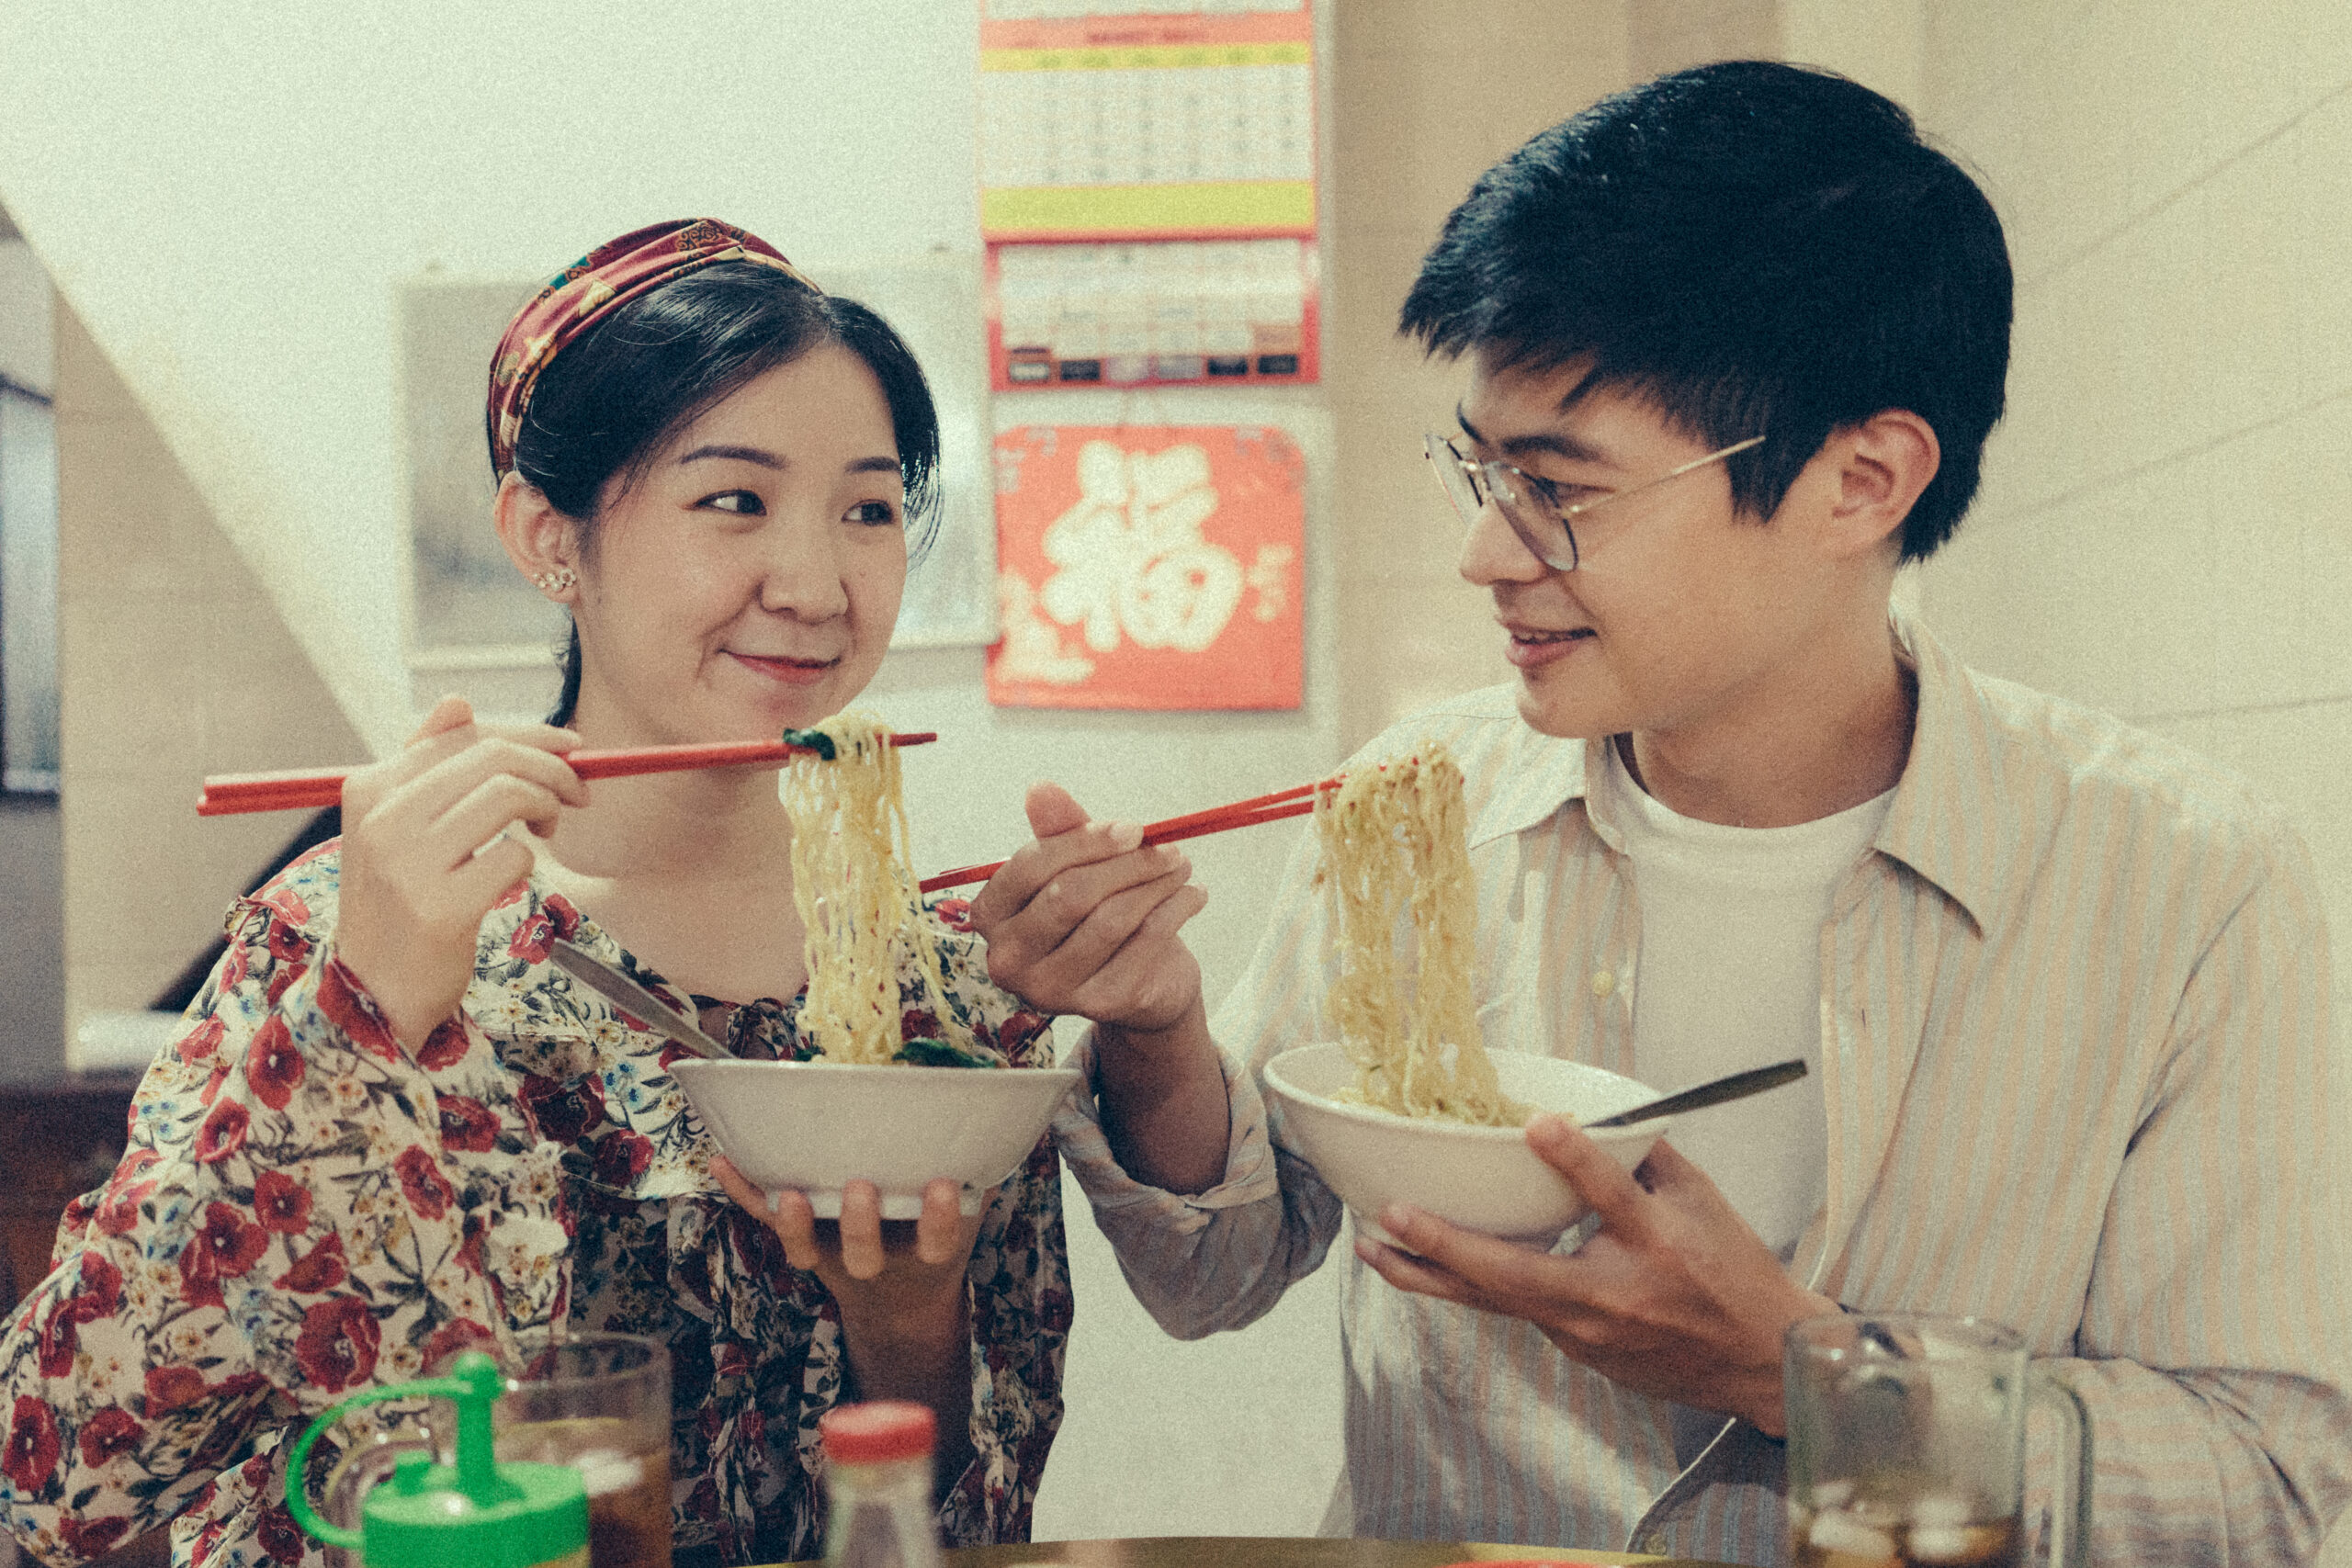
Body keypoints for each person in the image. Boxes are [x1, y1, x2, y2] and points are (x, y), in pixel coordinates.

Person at [978, 62, 2352, 1565]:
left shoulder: (2181, 885)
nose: (1485, 555)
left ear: (1862, 481)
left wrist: (1804, 1378)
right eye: (1479, 470)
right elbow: (1220, 1268)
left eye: (1560, 489)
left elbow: (2267, 1480)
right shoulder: (1421, 809)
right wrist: (1156, 1029)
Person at [0, 220, 1082, 1568]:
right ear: (546, 535)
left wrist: (907, 1327)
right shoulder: (363, 931)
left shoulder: (946, 1001)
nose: (816, 586)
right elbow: (52, 1478)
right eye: (734, 501)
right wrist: (357, 1021)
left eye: (867, 510)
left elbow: (977, 1533)